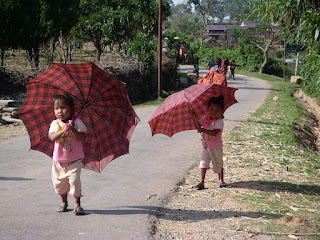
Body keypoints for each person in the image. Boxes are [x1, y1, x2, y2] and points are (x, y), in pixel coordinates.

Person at [48, 94, 87, 215]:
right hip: (59, 161)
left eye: (64, 108)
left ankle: (77, 204)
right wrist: (64, 130)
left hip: (74, 160)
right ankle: (64, 202)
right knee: (59, 183)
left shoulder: (77, 122)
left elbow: (82, 138)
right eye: (56, 108)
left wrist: (72, 129)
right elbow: (52, 137)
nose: (60, 111)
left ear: (71, 109)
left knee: (75, 181)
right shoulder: (55, 124)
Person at [191, 96, 226, 190]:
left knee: (218, 164)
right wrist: (193, 116)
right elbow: (198, 125)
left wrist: (202, 129)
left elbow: (214, 132)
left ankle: (221, 179)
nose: (214, 112)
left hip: (216, 147)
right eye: (211, 109)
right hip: (206, 146)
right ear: (208, 109)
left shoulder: (219, 121)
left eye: (217, 110)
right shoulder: (205, 118)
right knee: (203, 163)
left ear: (222, 111)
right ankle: (202, 182)